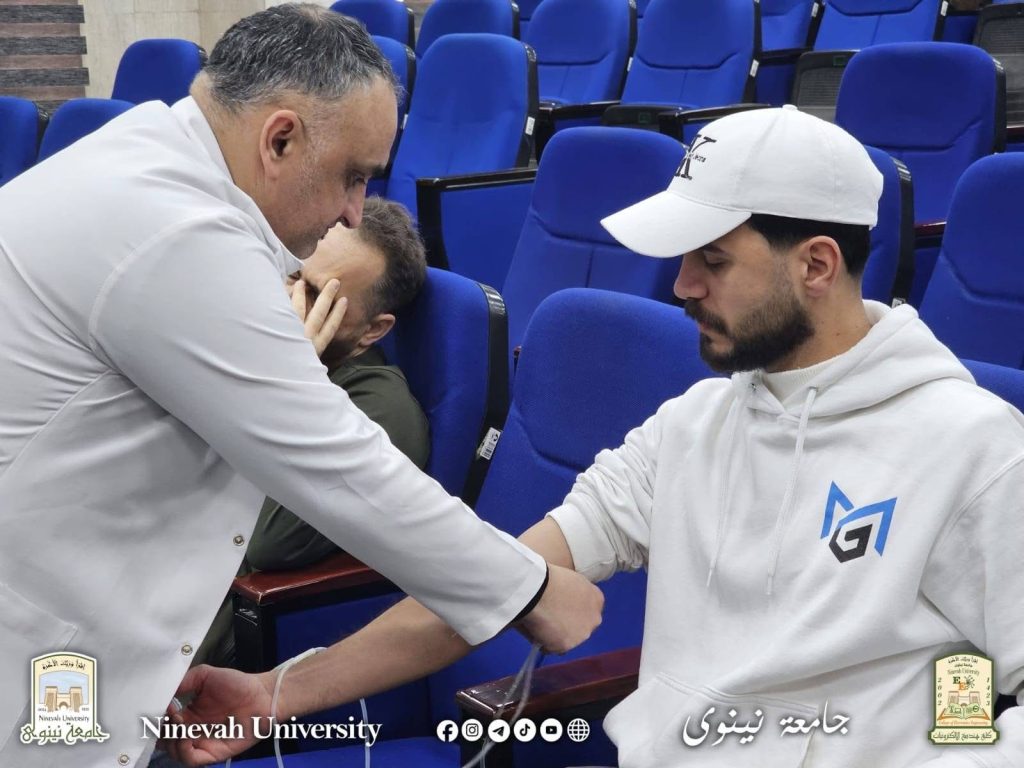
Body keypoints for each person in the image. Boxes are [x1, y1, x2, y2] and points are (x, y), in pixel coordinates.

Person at [165, 106, 1023, 768]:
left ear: (817, 265)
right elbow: (492, 584)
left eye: (713, 260)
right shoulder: (693, 426)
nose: (680, 285)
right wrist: (276, 694)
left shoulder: (972, 449)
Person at [0, 5, 602, 767]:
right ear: (279, 139)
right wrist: (527, 591)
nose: (354, 209)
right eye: (353, 175)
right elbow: (330, 458)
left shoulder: (137, 155)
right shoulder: (181, 232)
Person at [196, 196, 431, 668]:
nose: (288, 299)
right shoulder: (246, 346)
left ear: (373, 330)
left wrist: (289, 378)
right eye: (291, 274)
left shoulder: (380, 410)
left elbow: (270, 543)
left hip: (208, 643)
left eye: (315, 292)